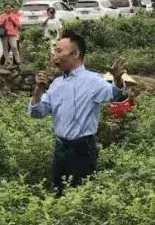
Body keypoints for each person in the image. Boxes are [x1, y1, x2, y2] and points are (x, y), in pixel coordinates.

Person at [29, 32, 128, 194]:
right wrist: (38, 90)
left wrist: (117, 80)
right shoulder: (56, 84)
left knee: (81, 195)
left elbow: (114, 94)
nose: (54, 55)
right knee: (59, 194)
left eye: (59, 51)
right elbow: (36, 113)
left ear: (75, 54)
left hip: (83, 150)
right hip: (60, 149)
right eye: (55, 51)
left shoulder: (92, 80)